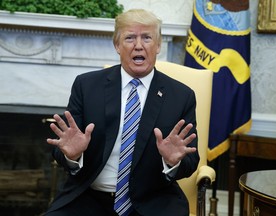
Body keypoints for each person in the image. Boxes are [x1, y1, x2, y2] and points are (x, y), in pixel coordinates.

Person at [45, 8, 199, 216]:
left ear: (158, 45)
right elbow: (64, 147)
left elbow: (191, 161)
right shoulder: (86, 86)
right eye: (129, 38)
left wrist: (172, 161)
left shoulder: (181, 96)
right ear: (117, 45)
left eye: (147, 37)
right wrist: (73, 155)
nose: (138, 45)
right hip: (89, 198)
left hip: (153, 201)